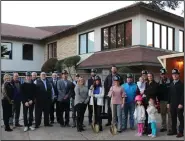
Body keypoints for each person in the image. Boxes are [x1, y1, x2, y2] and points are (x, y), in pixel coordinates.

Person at [167, 69, 184, 138]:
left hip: (179, 104)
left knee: (180, 118)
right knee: (173, 118)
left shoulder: (181, 84)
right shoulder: (171, 84)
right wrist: (168, 103)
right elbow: (169, 94)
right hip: (172, 104)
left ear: (178, 75)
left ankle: (180, 132)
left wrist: (181, 103)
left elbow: (183, 95)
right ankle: (174, 131)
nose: (174, 75)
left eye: (176, 74)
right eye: (173, 74)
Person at [157, 68, 172, 133]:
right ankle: (164, 127)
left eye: (164, 74)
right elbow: (157, 93)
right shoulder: (159, 83)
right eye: (162, 74)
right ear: (160, 75)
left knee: (170, 115)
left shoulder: (171, 82)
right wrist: (158, 101)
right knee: (163, 114)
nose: (163, 75)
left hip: (169, 101)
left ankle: (170, 128)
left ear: (166, 74)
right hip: (162, 101)